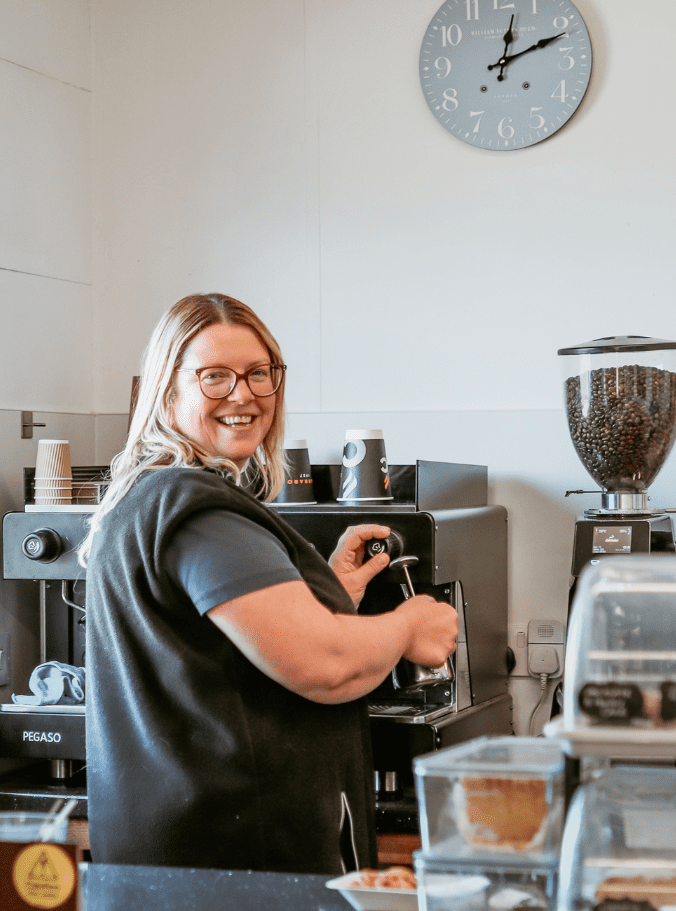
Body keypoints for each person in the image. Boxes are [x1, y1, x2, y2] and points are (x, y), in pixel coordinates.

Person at [81, 293, 458, 874]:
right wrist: (410, 625)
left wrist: (332, 593)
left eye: (261, 374)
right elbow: (322, 665)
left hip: (178, 860)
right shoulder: (198, 509)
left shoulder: (149, 496)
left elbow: (217, 652)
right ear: (167, 389)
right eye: (215, 377)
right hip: (238, 870)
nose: (244, 395)